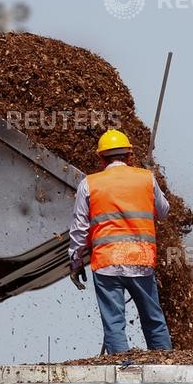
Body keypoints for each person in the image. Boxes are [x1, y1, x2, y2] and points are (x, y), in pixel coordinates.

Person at [68, 129, 172, 354]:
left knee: (114, 324)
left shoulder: (89, 183)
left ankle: (122, 370)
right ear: (129, 156)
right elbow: (164, 211)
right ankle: (165, 367)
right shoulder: (146, 177)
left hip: (107, 263)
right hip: (141, 260)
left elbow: (79, 229)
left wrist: (75, 263)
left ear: (100, 158)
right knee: (153, 319)